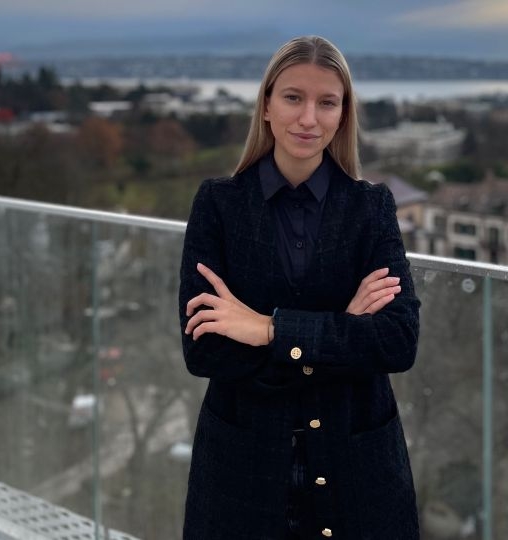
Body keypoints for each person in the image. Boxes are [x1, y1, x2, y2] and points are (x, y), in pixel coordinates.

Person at [178, 35, 421, 539]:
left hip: (355, 465)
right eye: (293, 97)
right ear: (266, 105)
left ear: (342, 114)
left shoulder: (371, 208)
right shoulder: (219, 206)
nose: (309, 118)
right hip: (242, 471)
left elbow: (398, 340)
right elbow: (204, 353)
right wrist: (343, 332)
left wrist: (266, 330)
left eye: (326, 102)